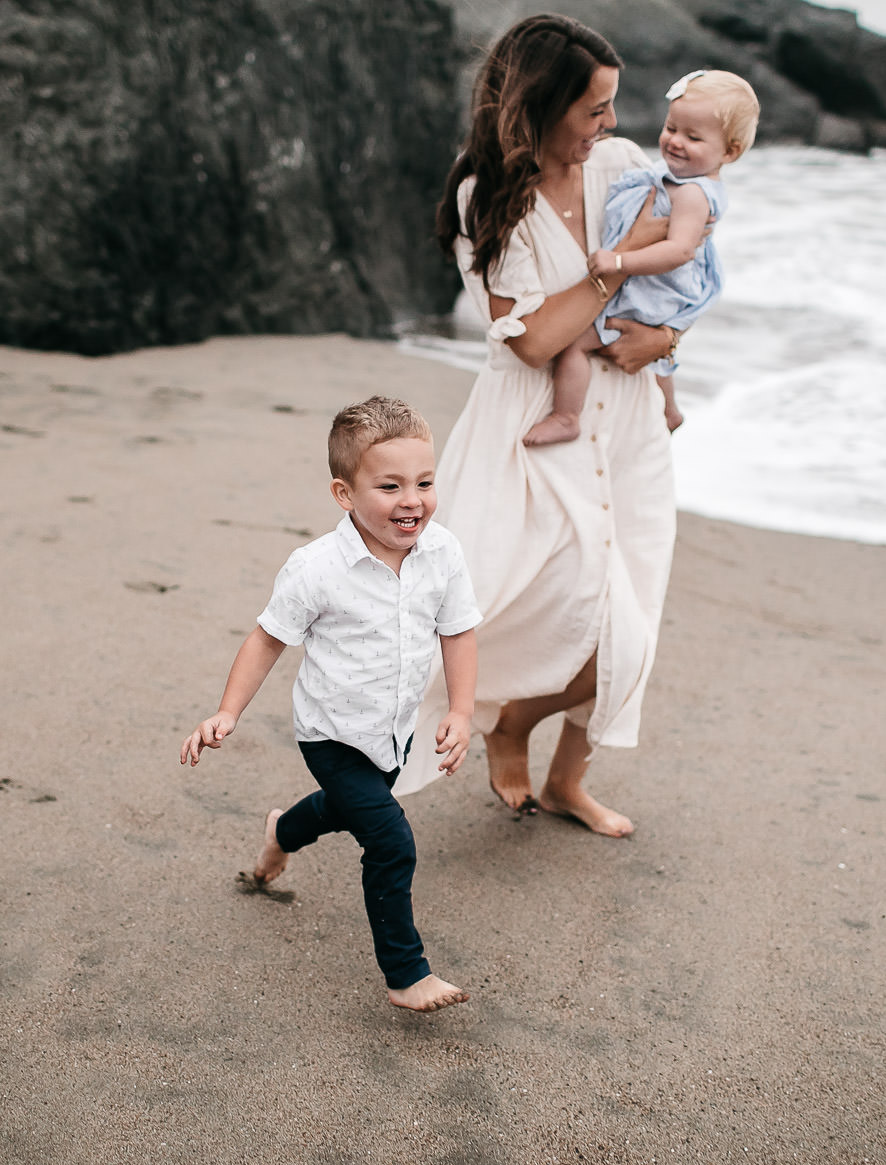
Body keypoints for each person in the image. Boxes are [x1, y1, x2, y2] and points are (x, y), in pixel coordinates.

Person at [404, 14, 699, 836]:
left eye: (612, 106)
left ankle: (568, 777)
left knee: (634, 610)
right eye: (594, 108)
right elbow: (533, 338)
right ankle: (505, 722)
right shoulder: (483, 197)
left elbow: (679, 274)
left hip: (628, 421)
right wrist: (615, 270)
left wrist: (669, 337)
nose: (609, 125)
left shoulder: (622, 164)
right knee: (543, 608)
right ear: (540, 105)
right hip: (536, 428)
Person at [181, 397, 480, 1013]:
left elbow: (458, 631)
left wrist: (461, 710)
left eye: (425, 482)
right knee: (391, 841)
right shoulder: (316, 568)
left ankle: (281, 833)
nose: (412, 500)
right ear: (345, 493)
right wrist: (227, 711)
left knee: (344, 811)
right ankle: (406, 973)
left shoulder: (443, 552)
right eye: (390, 485)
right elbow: (267, 638)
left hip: (393, 731)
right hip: (331, 734)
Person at [524, 69, 759, 447]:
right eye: (671, 128)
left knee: (574, 344)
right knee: (656, 356)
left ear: (730, 151)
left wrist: (618, 262)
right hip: (654, 286)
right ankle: (670, 409)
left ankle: (567, 415)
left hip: (652, 287)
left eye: (693, 137)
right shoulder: (676, 177)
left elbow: (680, 250)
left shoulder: (693, 193)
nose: (675, 142)